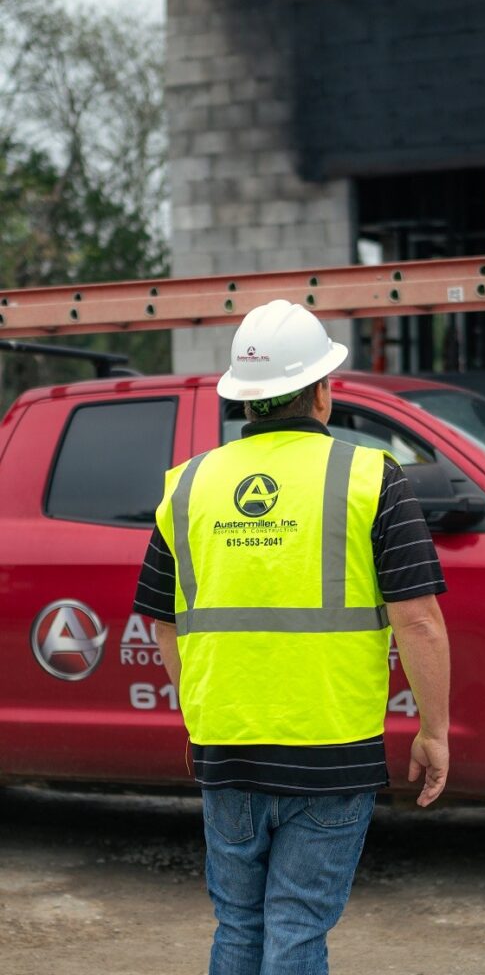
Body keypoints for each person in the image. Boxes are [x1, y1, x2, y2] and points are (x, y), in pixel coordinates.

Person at [134, 299, 450, 975]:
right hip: (331, 752)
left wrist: (200, 714)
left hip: (228, 747)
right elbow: (418, 620)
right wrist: (435, 729)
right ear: (323, 393)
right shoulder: (371, 479)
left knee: (239, 924)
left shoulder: (185, 488)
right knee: (298, 928)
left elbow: (163, 621)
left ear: (245, 402)